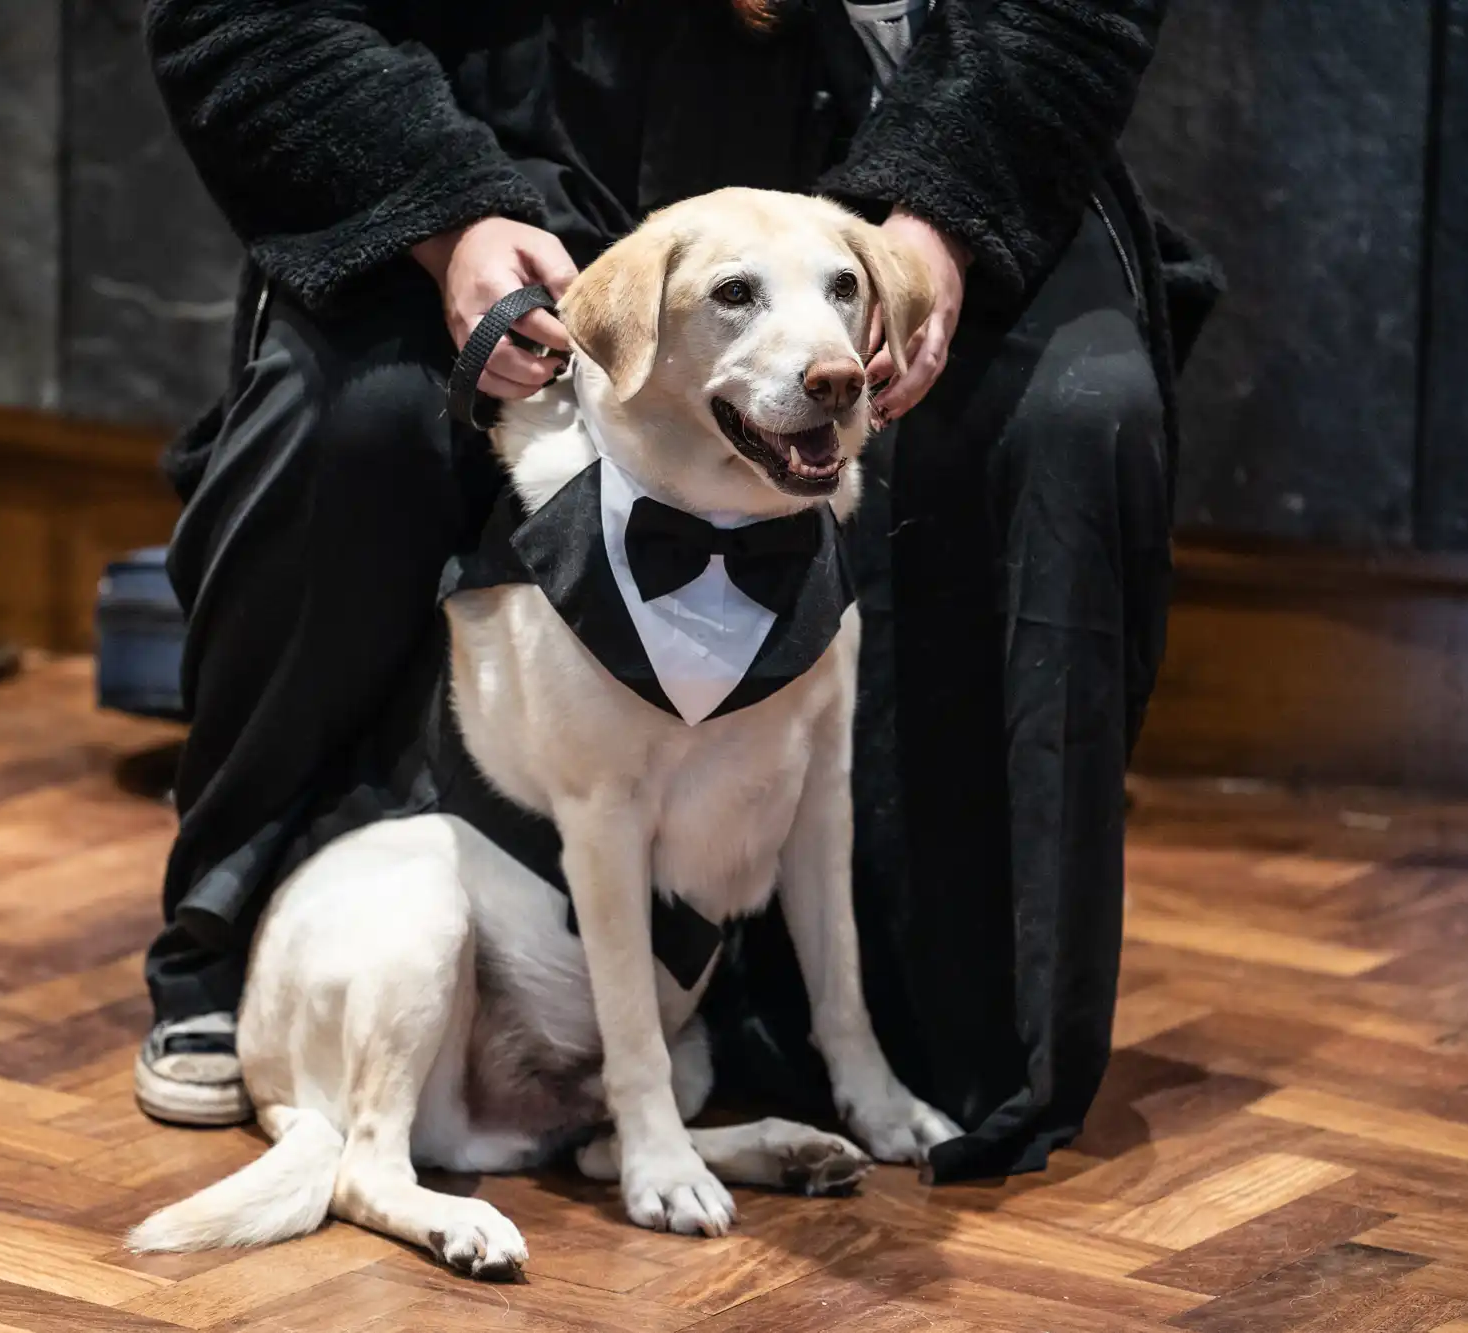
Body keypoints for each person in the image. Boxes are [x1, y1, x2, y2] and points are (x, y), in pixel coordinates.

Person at [135, 0, 1214, 1181]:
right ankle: (229, 936)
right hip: (500, 122)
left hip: (918, 116)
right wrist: (443, 216)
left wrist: (939, 220)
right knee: (353, 416)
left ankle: (957, 1003)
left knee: (1077, 415)